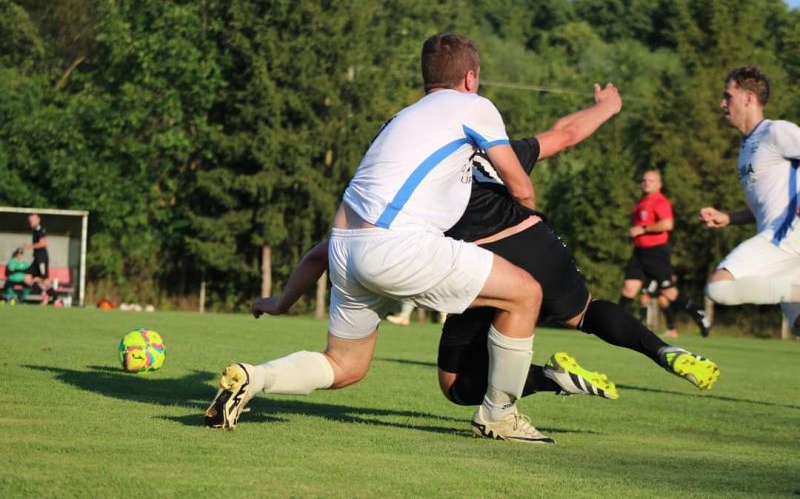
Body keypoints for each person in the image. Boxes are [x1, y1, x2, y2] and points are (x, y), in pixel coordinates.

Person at [249, 82, 720, 442]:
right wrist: (607, 107)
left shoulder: (419, 176)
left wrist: (282, 300)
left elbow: (326, 250)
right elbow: (566, 133)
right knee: (586, 310)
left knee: (456, 386)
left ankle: (530, 391)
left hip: (475, 258)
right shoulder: (498, 154)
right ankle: (662, 350)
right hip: (533, 240)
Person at [206, 33, 550, 443]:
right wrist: (534, 236)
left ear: (427, 77)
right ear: (471, 78)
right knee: (526, 293)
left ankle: (254, 377)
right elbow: (521, 186)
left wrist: (281, 302)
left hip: (345, 249)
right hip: (395, 248)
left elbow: (324, 252)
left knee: (345, 365)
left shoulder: (402, 121)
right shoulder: (474, 107)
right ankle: (499, 415)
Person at [701, 66, 800, 336]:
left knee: (719, 287)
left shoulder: (776, 131)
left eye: (727, 96)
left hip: (787, 238)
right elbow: (766, 206)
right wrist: (730, 217)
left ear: (748, 98)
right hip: (781, 244)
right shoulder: (746, 148)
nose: (722, 103)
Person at [618, 170, 711, 337]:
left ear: (659, 184)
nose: (647, 183)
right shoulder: (641, 202)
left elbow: (667, 224)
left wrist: (643, 229)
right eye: (644, 180)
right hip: (639, 253)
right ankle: (615, 326)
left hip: (656, 253)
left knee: (669, 292)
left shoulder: (660, 201)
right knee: (629, 287)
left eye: (651, 180)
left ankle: (698, 313)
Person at [23, 213, 50, 304]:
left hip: (42, 259)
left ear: (38, 220)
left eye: (32, 220)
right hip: (36, 259)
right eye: (30, 220)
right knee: (27, 278)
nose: (30, 222)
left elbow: (43, 243)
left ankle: (56, 299)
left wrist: (30, 246)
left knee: (45, 279)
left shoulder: (39, 229)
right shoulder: (34, 230)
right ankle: (43, 294)